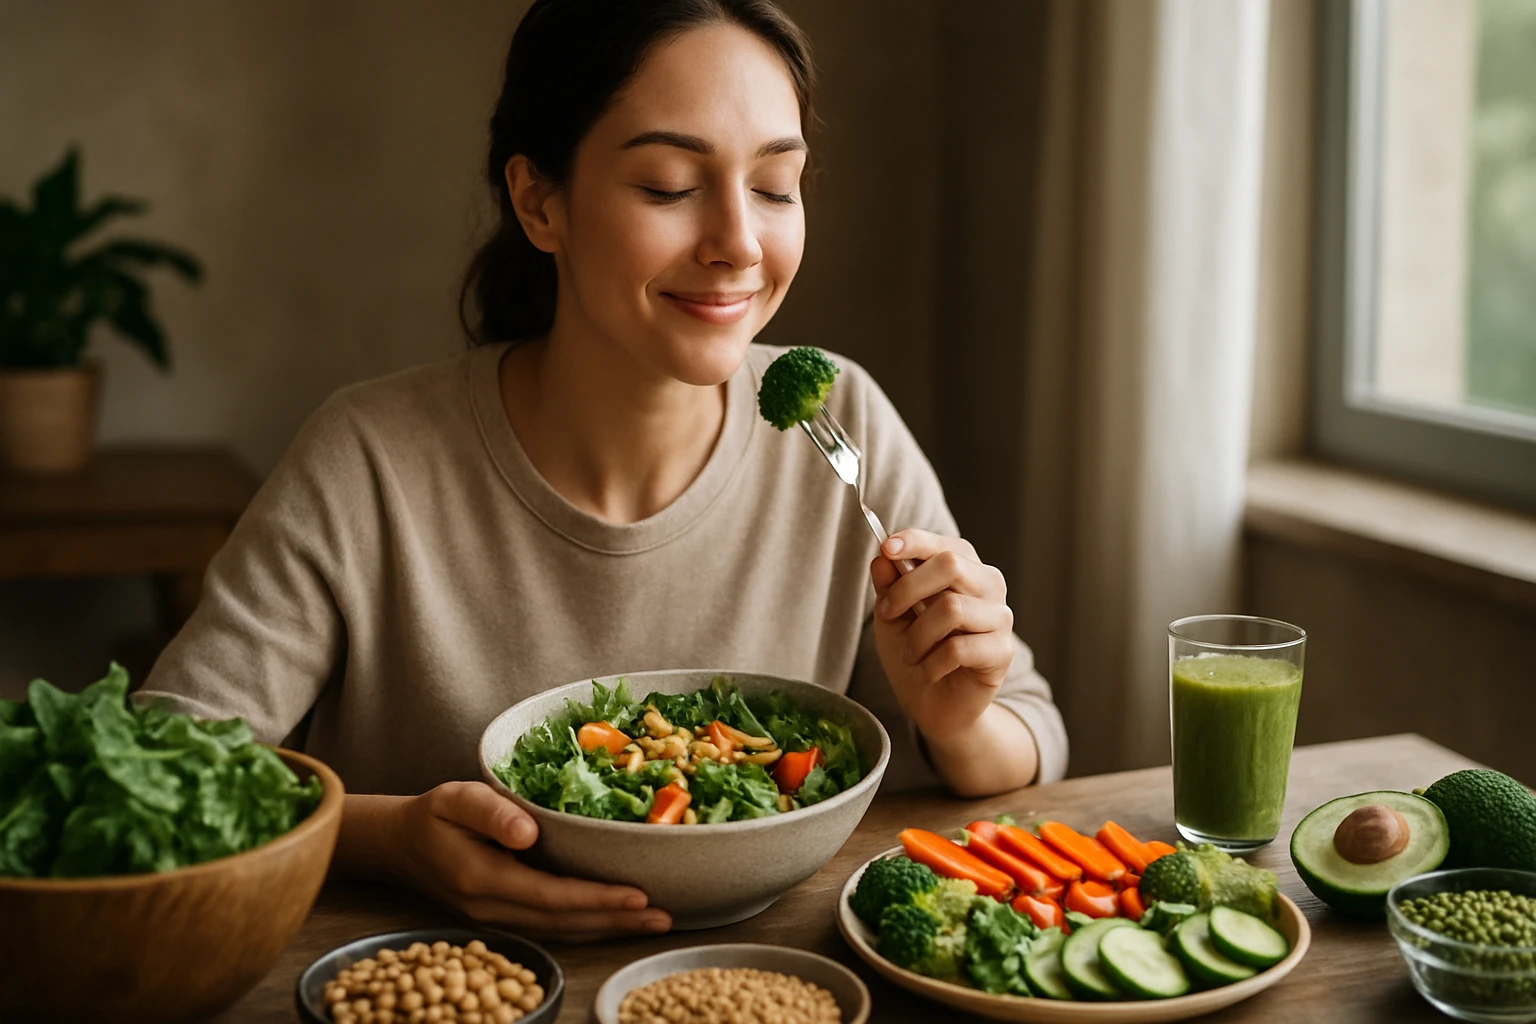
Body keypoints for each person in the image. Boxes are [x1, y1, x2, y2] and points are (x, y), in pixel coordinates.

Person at [136, 0, 1068, 941]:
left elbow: (1033, 738)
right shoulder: (367, 459)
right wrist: (384, 838)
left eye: (776, 186)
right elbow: (159, 768)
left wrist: (955, 719)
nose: (739, 242)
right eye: (669, 185)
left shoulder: (839, 419)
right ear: (540, 202)